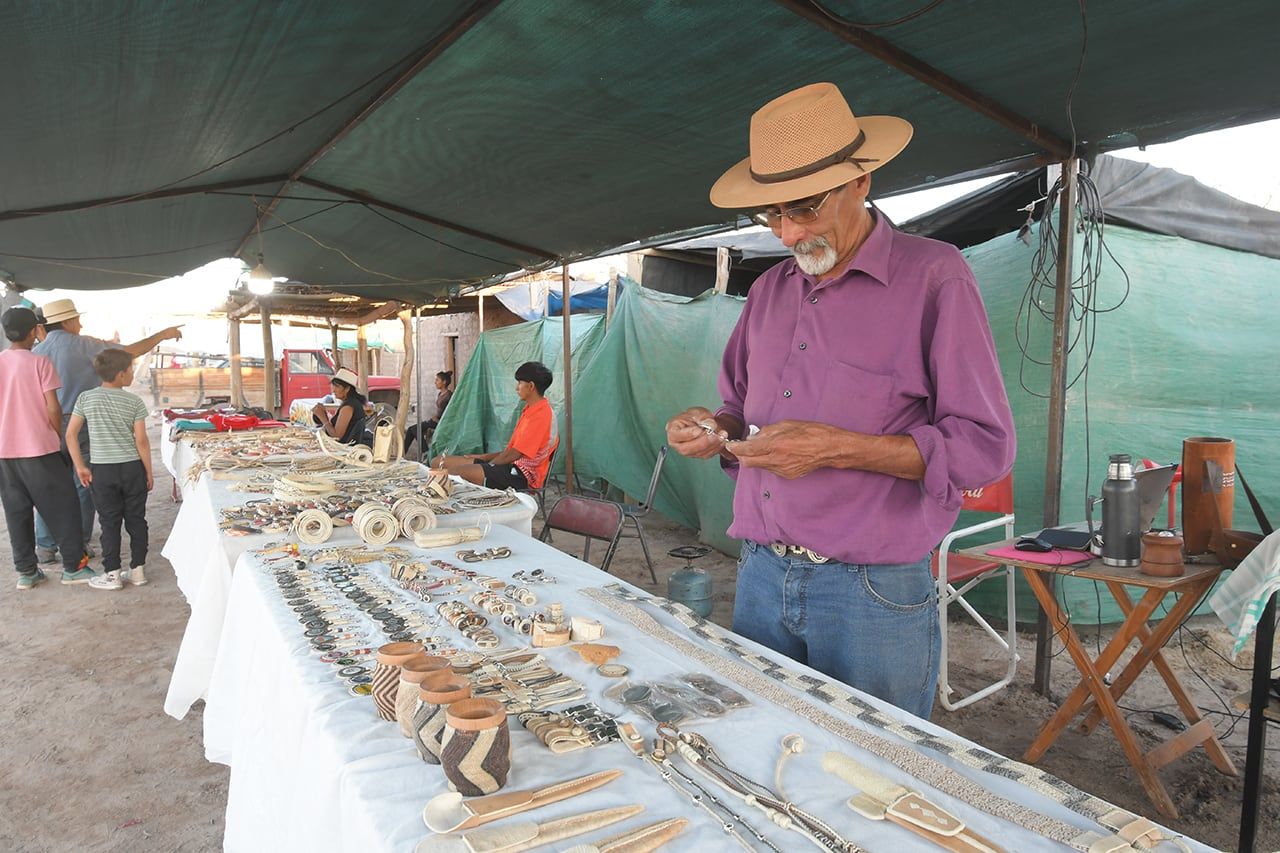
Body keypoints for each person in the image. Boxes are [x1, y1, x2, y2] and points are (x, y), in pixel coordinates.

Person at [665, 83, 1015, 720]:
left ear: (863, 180)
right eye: (769, 214)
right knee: (759, 747)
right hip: (761, 573)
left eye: (802, 207)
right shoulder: (770, 289)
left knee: (877, 777)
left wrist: (839, 449)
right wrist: (711, 427)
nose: (788, 231)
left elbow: (984, 447)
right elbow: (736, 405)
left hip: (871, 587)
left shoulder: (934, 275)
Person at [32, 298, 182, 564]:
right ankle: (78, 544)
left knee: (49, 484)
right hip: (80, 421)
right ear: (66, 322)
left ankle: (45, 546)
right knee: (85, 481)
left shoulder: (37, 351)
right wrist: (163, 334)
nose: (80, 323)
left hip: (46, 423)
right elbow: (127, 352)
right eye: (76, 319)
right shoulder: (86, 345)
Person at [0, 307, 94, 589]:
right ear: (34, 332)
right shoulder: (39, 362)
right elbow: (54, 408)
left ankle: (27, 572)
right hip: (39, 448)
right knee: (63, 505)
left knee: (16, 510)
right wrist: (57, 435)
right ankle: (73, 567)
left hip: (5, 452)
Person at [66, 349, 153, 591]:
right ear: (121, 373)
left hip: (102, 471)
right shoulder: (134, 401)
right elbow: (142, 441)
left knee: (109, 522)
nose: (133, 374)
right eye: (131, 370)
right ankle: (137, 571)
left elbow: (71, 434)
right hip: (132, 468)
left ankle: (112, 573)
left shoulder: (86, 398)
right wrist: (148, 471)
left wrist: (81, 467)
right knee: (136, 520)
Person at [434, 362, 557, 490]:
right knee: (437, 462)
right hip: (508, 463)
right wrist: (483, 457)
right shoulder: (530, 409)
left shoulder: (542, 414)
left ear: (531, 386)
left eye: (520, 383)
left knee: (452, 474)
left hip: (522, 475)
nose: (517, 388)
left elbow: (514, 455)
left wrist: (489, 465)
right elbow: (511, 451)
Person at [311, 367, 369, 445]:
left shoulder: (348, 407)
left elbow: (337, 436)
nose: (333, 390)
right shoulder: (351, 402)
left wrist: (323, 417)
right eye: (333, 386)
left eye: (337, 386)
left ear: (347, 389)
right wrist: (324, 414)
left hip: (344, 449)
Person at [404, 370, 454, 455]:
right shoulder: (440, 394)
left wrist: (438, 420)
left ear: (444, 382)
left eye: (437, 380)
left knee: (415, 429)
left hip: (441, 422)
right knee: (410, 429)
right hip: (435, 420)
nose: (435, 382)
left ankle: (426, 452)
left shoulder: (449, 395)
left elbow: (449, 413)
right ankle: (402, 453)